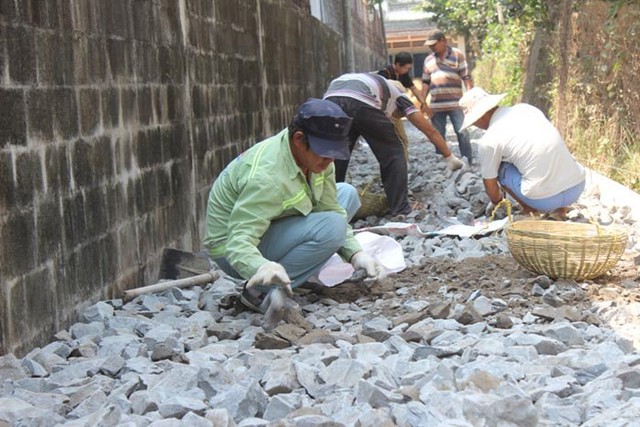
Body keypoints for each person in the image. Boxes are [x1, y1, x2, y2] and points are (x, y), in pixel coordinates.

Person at [204, 99, 386, 318]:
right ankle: (258, 292)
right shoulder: (267, 178)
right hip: (231, 250)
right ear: (299, 140)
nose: (329, 162)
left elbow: (331, 206)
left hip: (272, 224)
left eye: (334, 154)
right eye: (325, 154)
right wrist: (260, 267)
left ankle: (291, 276)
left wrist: (356, 254)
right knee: (333, 227)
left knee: (347, 193)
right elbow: (238, 242)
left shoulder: (315, 158)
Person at [323, 72, 465, 217]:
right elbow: (430, 131)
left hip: (330, 100)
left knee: (337, 152)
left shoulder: (375, 85)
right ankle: (400, 208)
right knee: (394, 152)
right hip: (361, 100)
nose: (394, 117)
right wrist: (449, 157)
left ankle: (329, 202)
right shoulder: (400, 96)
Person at [458, 87, 586, 217]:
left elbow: (490, 184)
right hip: (576, 187)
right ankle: (560, 210)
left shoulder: (489, 141)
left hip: (544, 201)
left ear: (479, 118)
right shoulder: (526, 109)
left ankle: (530, 210)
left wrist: (497, 203)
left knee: (501, 167)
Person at [421, 29, 474, 164]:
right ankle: (444, 160)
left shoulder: (457, 54)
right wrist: (423, 102)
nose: (432, 47)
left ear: (443, 40)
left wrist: (470, 96)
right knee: (438, 134)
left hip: (456, 103)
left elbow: (466, 76)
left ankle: (467, 159)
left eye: (434, 44)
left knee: (462, 132)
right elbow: (426, 83)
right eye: (430, 45)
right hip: (436, 105)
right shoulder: (428, 60)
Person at [376, 52, 431, 160]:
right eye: (406, 68)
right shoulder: (384, 74)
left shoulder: (403, 75)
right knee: (390, 141)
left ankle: (402, 165)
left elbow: (413, 88)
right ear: (397, 65)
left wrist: (423, 103)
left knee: (402, 139)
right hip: (383, 114)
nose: (407, 71)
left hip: (394, 114)